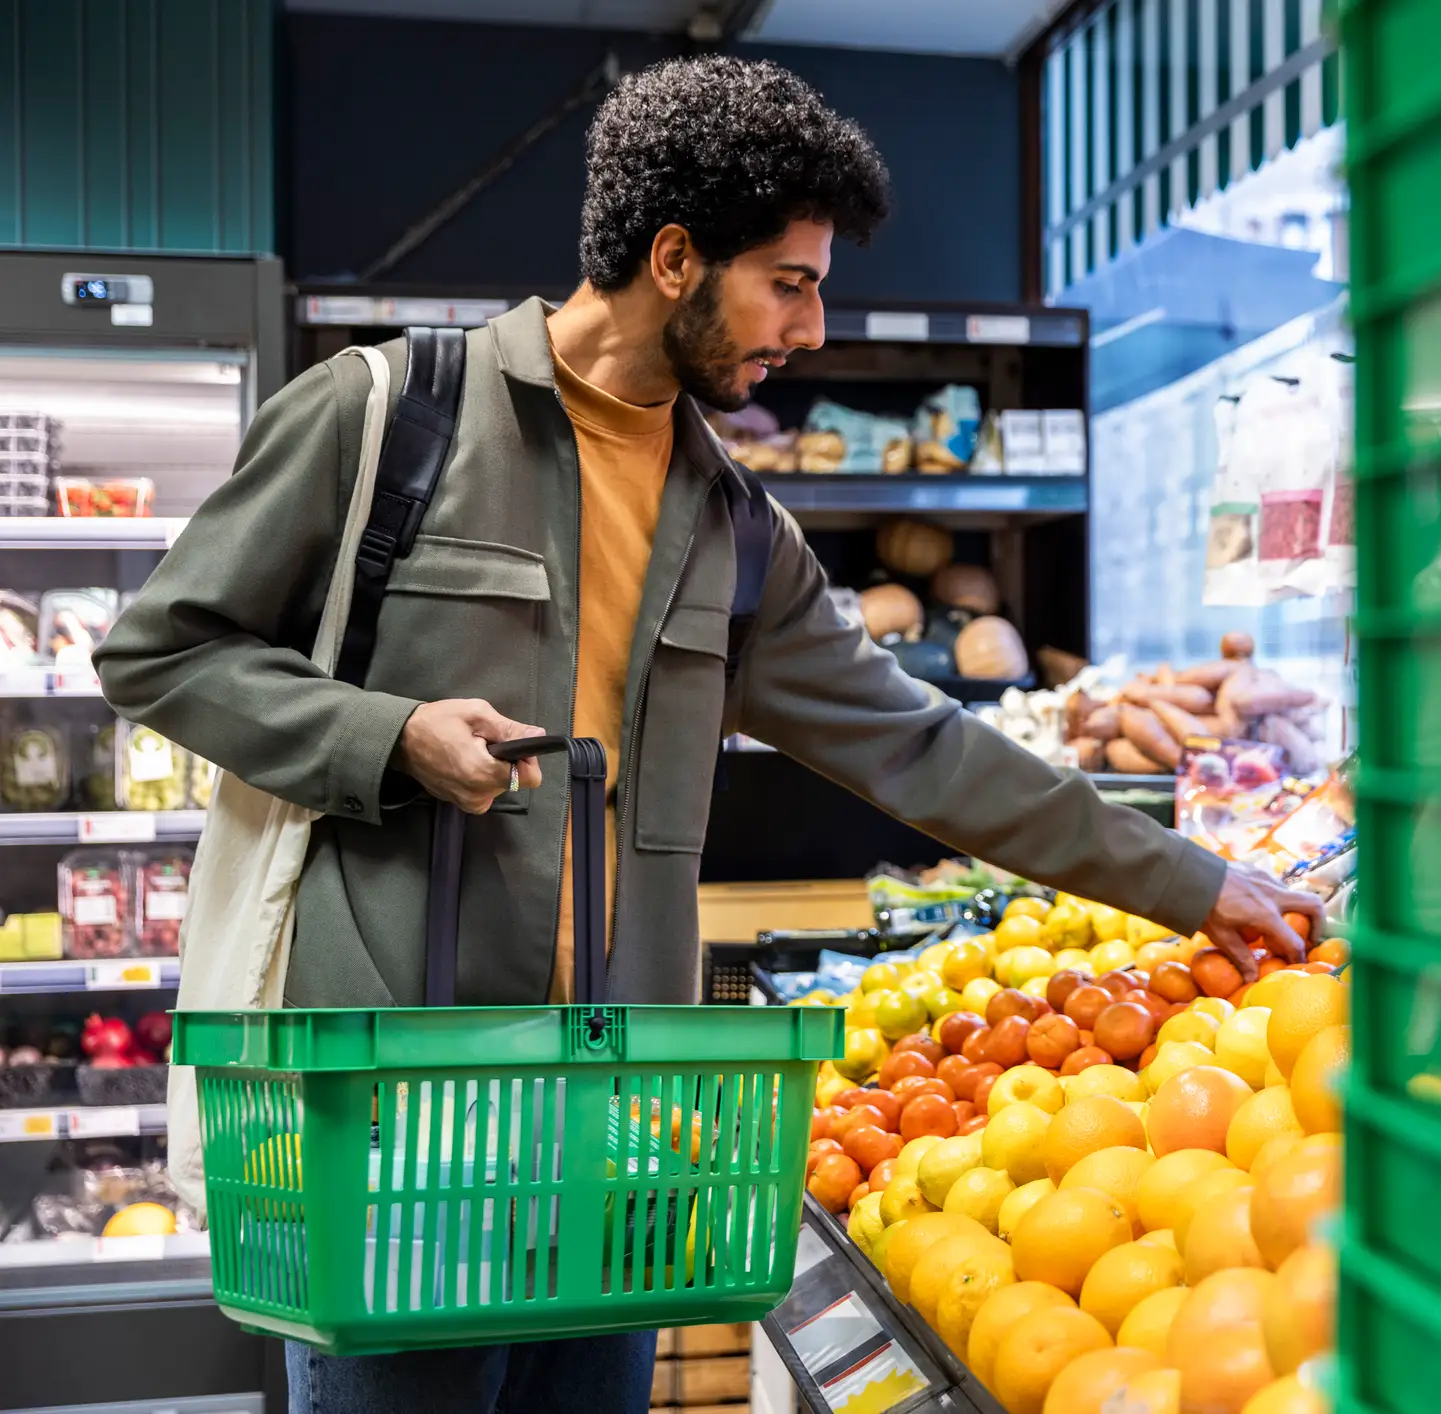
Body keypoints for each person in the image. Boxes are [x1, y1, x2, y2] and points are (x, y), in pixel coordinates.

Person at [96, 54, 1318, 1414]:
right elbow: (160, 649)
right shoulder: (392, 419)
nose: (810, 325)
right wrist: (385, 735)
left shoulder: (736, 532)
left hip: (621, 1146)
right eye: (788, 280)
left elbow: (925, 746)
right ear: (675, 258)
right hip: (398, 1144)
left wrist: (1195, 881)